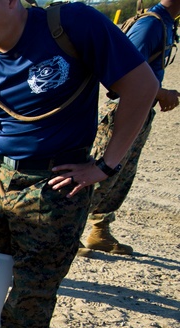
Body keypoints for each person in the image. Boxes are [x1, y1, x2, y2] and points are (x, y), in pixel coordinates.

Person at [0, 0, 159, 328]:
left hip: (58, 183)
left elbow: (143, 86)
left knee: (34, 284)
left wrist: (105, 166)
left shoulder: (71, 25)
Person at [79, 0, 179, 256]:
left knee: (121, 176)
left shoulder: (165, 23)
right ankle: (69, 232)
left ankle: (99, 230)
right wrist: (160, 92)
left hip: (140, 111)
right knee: (99, 171)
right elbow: (120, 77)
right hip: (122, 112)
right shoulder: (150, 26)